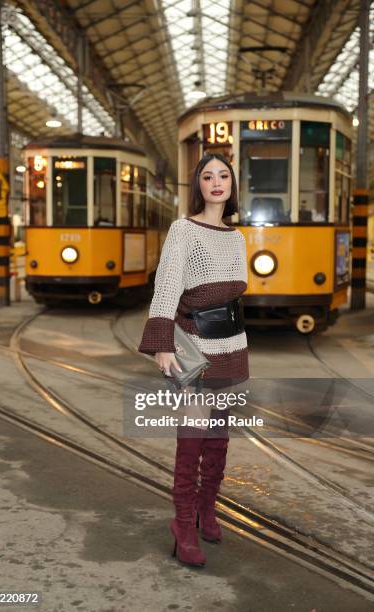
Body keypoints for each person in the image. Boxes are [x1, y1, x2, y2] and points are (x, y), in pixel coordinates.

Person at [138, 153, 249, 567]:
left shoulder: (237, 237)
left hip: (232, 346)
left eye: (223, 175)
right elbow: (166, 288)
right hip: (194, 349)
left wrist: (240, 349)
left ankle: (208, 508)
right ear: (197, 185)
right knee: (192, 441)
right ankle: (183, 523)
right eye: (207, 176)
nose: (216, 182)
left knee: (219, 439)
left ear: (231, 185)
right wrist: (163, 344)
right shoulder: (183, 230)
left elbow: (235, 297)